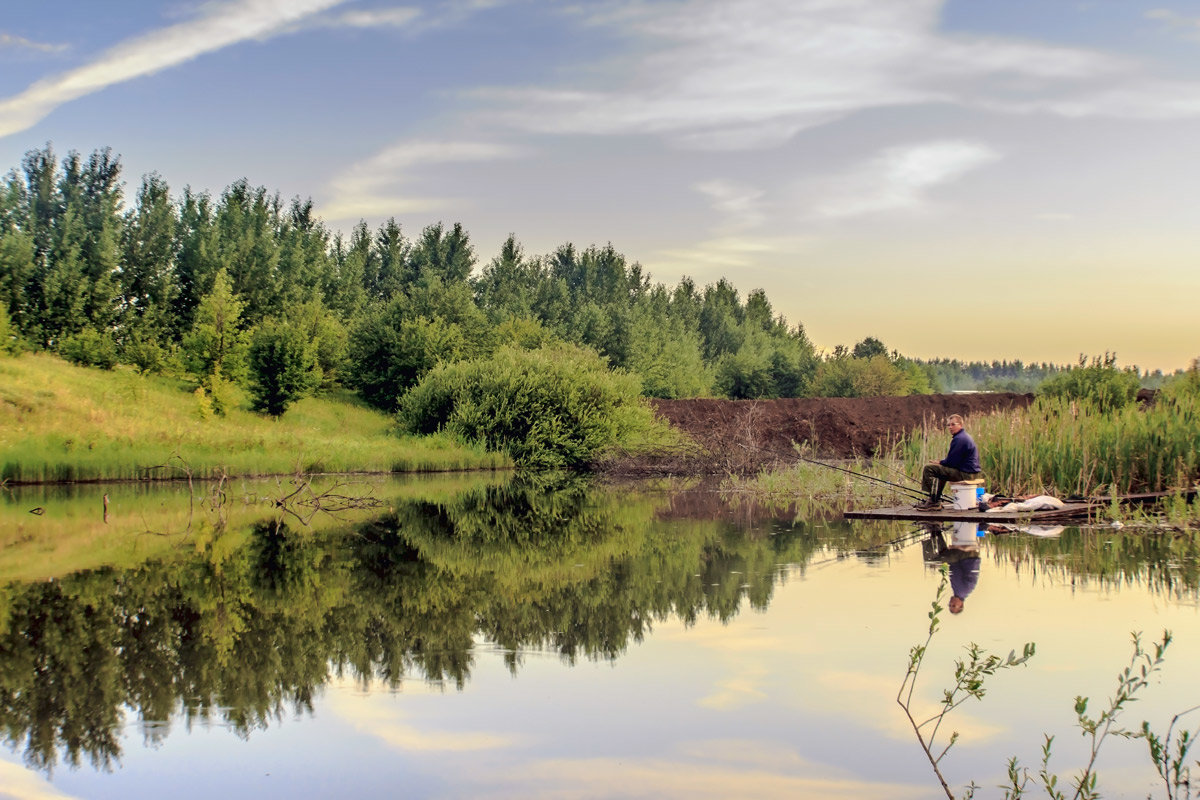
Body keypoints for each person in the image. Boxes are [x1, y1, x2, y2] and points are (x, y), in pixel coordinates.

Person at [915, 413, 981, 510]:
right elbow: (953, 461)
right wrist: (941, 463)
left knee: (929, 468)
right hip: (969, 472)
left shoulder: (960, 439)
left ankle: (933, 501)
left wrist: (940, 462)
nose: (950, 427)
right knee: (941, 471)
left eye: (953, 424)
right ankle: (934, 500)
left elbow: (951, 462)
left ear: (960, 425)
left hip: (966, 474)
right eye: (949, 425)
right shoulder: (963, 436)